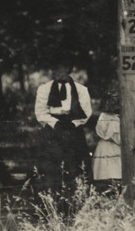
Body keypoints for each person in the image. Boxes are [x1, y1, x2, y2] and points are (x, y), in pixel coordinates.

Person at [34, 61, 92, 216]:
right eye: (56, 68)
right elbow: (40, 112)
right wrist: (56, 124)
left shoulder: (81, 89)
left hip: (74, 131)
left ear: (68, 68)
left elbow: (86, 112)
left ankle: (75, 208)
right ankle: (51, 209)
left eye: (63, 68)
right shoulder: (45, 89)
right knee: (51, 170)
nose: (59, 71)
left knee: (75, 169)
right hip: (52, 132)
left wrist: (73, 124)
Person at [92, 87, 122, 191]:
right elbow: (117, 138)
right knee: (112, 174)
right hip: (111, 147)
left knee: (111, 176)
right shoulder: (112, 119)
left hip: (104, 147)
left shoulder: (104, 116)